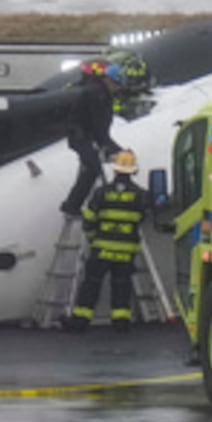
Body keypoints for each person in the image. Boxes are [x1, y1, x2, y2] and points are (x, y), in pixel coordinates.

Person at [63, 149, 151, 332]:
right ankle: (120, 324)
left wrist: (94, 238)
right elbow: (143, 217)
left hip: (101, 250)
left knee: (91, 286)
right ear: (133, 171)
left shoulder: (101, 193)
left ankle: (79, 323)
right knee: (121, 287)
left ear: (115, 169)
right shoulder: (141, 196)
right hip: (126, 252)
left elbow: (89, 218)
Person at [59, 59, 124, 218]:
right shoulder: (98, 95)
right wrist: (111, 147)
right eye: (116, 85)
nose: (117, 89)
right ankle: (72, 206)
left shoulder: (99, 92)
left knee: (91, 165)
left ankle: (76, 203)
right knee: (92, 167)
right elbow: (98, 126)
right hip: (81, 136)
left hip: (84, 135)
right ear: (109, 81)